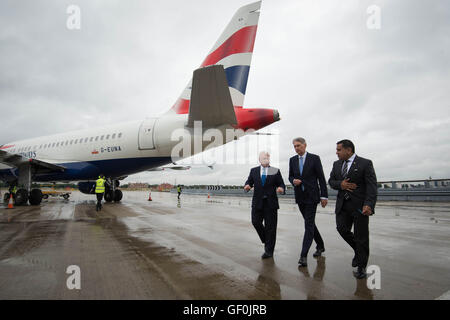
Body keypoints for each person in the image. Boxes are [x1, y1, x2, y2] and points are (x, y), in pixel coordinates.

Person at [328, 139, 377, 279]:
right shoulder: (336, 164)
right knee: (341, 229)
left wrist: (369, 204)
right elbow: (331, 182)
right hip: (343, 205)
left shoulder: (365, 163)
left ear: (348, 150)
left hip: (360, 206)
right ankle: (358, 250)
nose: (336, 152)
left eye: (339, 150)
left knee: (361, 236)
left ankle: (361, 267)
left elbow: (372, 186)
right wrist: (341, 184)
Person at [289, 137, 328, 267]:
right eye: (294, 146)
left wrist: (324, 196)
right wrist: (293, 180)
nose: (296, 148)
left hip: (312, 196)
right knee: (309, 223)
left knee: (308, 224)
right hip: (300, 196)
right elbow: (290, 176)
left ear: (305, 145)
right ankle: (320, 245)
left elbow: (321, 178)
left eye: (298, 145)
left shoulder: (314, 158)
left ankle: (303, 255)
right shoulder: (292, 160)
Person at [244, 151, 285, 259]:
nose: (265, 160)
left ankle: (269, 251)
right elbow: (249, 182)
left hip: (270, 203)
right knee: (255, 222)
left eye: (267, 158)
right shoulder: (254, 171)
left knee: (271, 227)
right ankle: (267, 240)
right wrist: (247, 186)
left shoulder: (275, 171)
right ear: (259, 160)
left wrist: (281, 188)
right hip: (257, 202)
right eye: (263, 158)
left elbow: (281, 183)